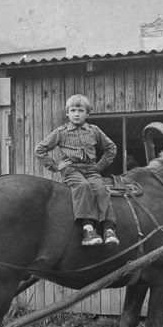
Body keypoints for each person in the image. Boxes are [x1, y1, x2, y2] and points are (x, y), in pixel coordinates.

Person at [35, 94, 119, 247]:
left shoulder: (94, 131)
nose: (76, 114)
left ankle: (108, 229)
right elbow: (40, 149)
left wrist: (99, 166)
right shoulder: (61, 132)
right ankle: (88, 229)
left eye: (80, 110)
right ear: (67, 113)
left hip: (91, 169)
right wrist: (55, 166)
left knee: (101, 189)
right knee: (83, 186)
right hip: (71, 170)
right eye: (73, 110)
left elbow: (111, 148)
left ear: (88, 113)